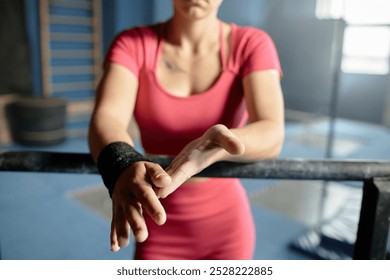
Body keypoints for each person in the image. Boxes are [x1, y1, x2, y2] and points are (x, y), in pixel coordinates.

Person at [88, 0, 284, 260]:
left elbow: (272, 131)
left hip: (225, 226)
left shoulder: (251, 44)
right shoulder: (133, 43)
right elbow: (107, 116)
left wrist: (223, 143)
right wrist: (122, 161)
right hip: (155, 220)